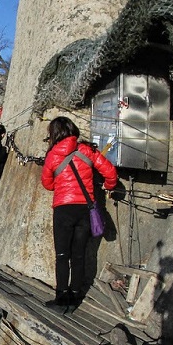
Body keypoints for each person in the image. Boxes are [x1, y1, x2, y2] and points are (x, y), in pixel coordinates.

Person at [40, 116, 117, 307]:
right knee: (79, 255)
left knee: (62, 256)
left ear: (54, 134)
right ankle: (75, 296)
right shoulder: (87, 150)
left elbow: (47, 184)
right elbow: (110, 173)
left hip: (63, 210)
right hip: (85, 209)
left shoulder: (52, 155)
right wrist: (108, 186)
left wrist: (61, 186)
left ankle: (61, 297)